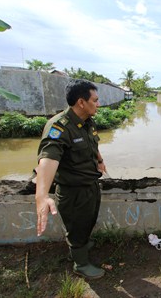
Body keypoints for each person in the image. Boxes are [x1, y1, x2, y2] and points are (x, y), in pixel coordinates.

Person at [35, 79, 106, 279]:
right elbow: (48, 159)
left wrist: (100, 160)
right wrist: (41, 196)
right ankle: (80, 263)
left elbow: (92, 143)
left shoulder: (87, 121)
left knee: (88, 221)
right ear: (81, 102)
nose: (98, 104)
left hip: (90, 184)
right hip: (73, 191)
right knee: (76, 227)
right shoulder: (59, 126)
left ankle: (82, 244)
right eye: (95, 100)